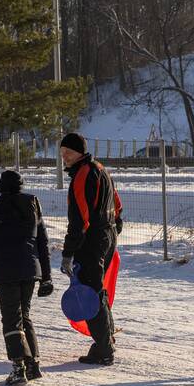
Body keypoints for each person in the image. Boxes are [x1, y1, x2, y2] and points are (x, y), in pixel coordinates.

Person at [0, 170, 54, 386]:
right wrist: (46, 277)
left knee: (11, 318)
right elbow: (42, 245)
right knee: (23, 315)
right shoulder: (33, 209)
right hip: (29, 271)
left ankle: (19, 367)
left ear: (1, 188)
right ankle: (33, 364)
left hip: (7, 271)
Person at [59, 132, 122, 366]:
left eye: (68, 153)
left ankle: (104, 349)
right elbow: (116, 201)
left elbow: (80, 220)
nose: (64, 157)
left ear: (79, 152)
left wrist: (68, 252)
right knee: (98, 288)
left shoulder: (82, 175)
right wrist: (115, 227)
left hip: (92, 240)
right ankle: (106, 338)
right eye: (62, 153)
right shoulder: (101, 168)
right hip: (107, 234)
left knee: (90, 292)